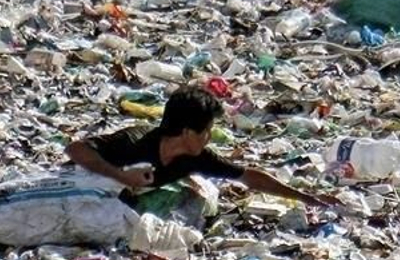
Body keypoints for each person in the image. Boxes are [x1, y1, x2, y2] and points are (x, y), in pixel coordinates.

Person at [65, 84, 338, 210]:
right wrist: (121, 175)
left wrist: (306, 198)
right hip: (73, 191)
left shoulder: (194, 158)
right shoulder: (135, 141)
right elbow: (76, 150)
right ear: (186, 132)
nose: (209, 137)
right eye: (206, 131)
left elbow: (249, 177)